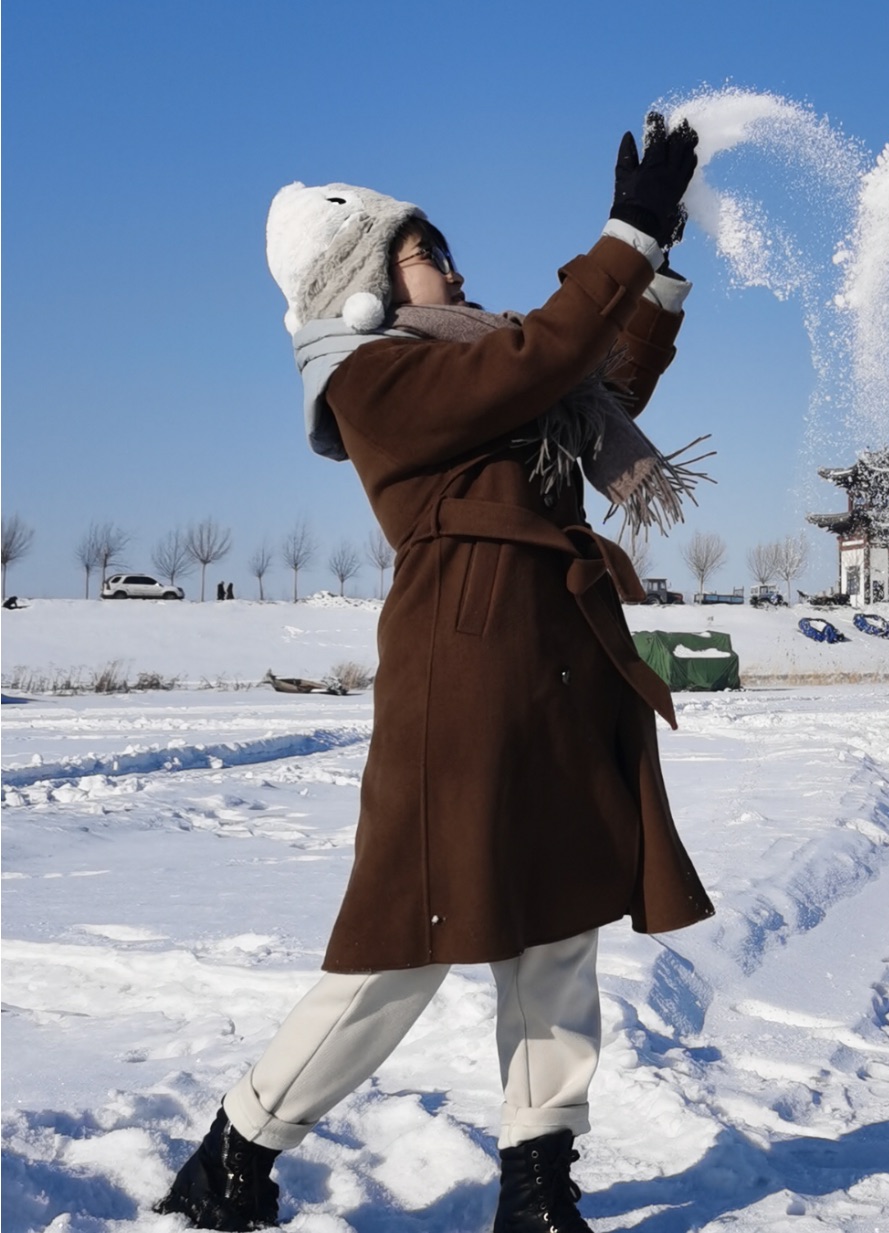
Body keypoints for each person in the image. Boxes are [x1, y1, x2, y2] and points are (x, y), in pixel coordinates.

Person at [155, 117, 715, 1232]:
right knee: (407, 934)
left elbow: (593, 380)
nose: (455, 269)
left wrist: (652, 264)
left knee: (561, 924)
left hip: (556, 663)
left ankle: (539, 1184)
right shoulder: (373, 379)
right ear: (361, 273)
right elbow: (545, 357)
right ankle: (236, 1151)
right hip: (461, 674)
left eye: (447, 250)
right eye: (427, 251)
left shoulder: (482, 357)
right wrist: (623, 235)